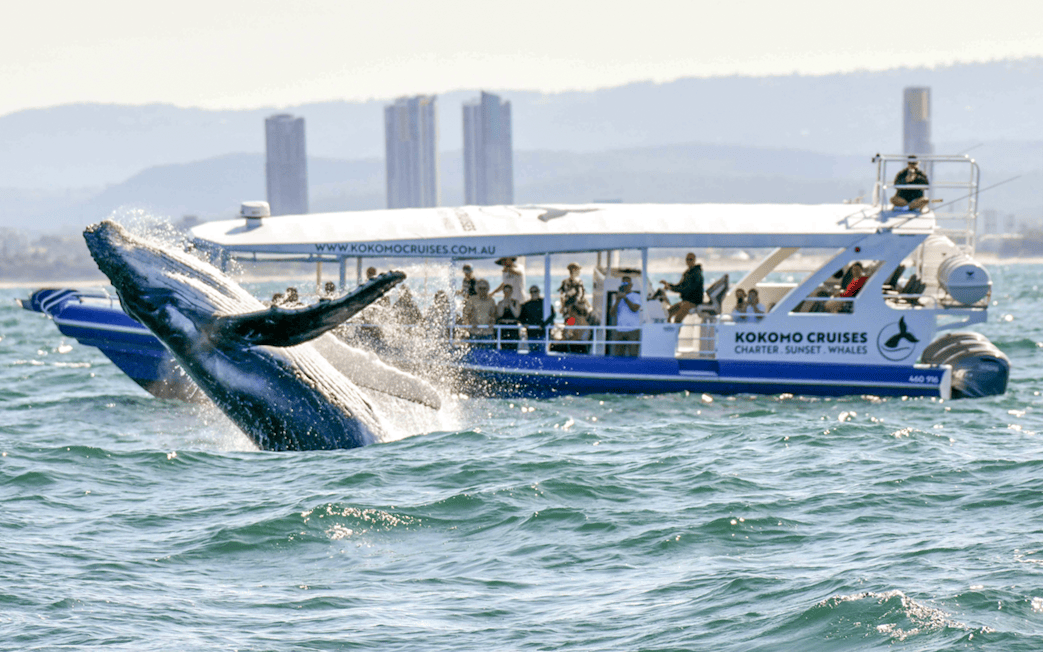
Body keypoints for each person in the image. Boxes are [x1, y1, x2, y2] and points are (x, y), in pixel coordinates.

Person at [661, 252, 704, 323]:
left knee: (677, 319)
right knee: (668, 314)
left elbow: (687, 289)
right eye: (687, 259)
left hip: (693, 302)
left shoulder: (697, 274)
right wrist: (669, 285)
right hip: (685, 301)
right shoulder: (687, 273)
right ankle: (669, 332)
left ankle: (675, 333)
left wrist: (671, 288)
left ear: (694, 260)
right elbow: (680, 286)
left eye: (690, 259)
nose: (688, 261)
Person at [611, 276, 642, 357]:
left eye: (627, 283)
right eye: (623, 283)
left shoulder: (636, 296)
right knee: (618, 355)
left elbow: (635, 309)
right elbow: (612, 313)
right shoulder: (617, 298)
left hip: (633, 330)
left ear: (631, 285)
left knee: (633, 354)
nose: (625, 285)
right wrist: (617, 300)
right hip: (620, 330)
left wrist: (625, 298)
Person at [520, 285, 554, 354]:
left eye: (535, 291)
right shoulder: (526, 305)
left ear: (538, 292)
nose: (533, 293)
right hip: (531, 333)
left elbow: (552, 315)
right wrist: (524, 323)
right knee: (532, 354)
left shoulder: (545, 303)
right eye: (531, 292)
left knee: (542, 353)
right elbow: (521, 317)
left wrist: (543, 324)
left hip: (542, 333)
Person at [463, 279, 497, 345]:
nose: (482, 290)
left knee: (488, 352)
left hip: (487, 332)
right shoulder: (472, 299)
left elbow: (493, 314)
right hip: (474, 331)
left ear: (487, 289)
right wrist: (468, 323)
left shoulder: (491, 301)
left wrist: (492, 322)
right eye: (480, 288)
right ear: (477, 289)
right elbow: (465, 314)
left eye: (484, 288)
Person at [495, 284, 522, 350]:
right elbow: (500, 314)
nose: (507, 293)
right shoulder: (500, 303)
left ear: (511, 292)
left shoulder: (516, 302)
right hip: (503, 327)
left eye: (509, 291)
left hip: (513, 327)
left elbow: (516, 315)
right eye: (505, 291)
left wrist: (511, 305)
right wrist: (503, 304)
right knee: (504, 346)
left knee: (514, 346)